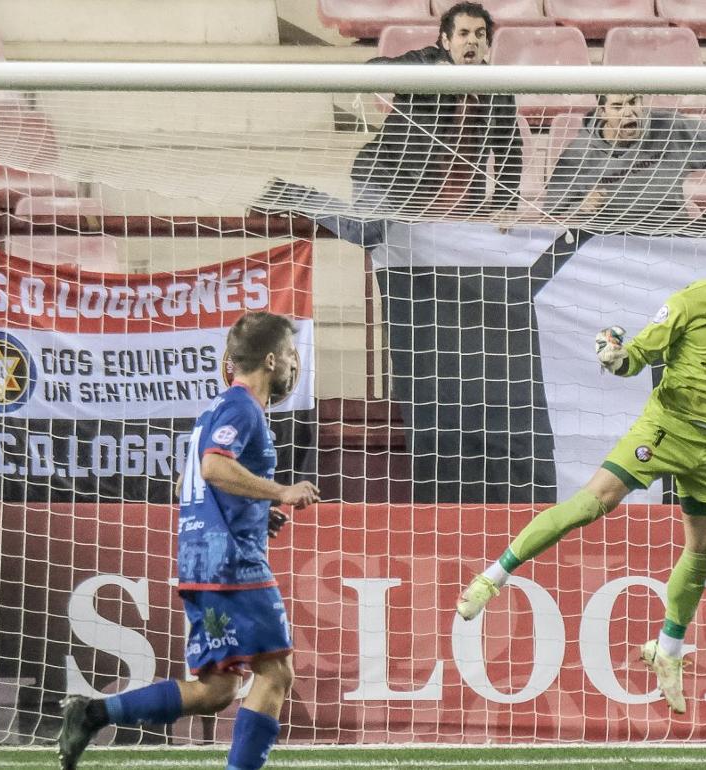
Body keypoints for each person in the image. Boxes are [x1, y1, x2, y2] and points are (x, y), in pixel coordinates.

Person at [453, 212, 706, 714]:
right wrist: (614, 357)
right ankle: (492, 578)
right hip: (665, 431)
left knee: (704, 553)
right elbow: (636, 355)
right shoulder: (689, 302)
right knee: (593, 503)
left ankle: (667, 650)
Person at [57, 312, 321, 770]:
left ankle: (94, 712)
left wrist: (255, 514)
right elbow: (213, 468)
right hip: (231, 565)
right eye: (292, 358)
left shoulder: (213, 413)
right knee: (275, 672)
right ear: (273, 359)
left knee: (217, 690)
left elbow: (192, 485)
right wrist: (280, 491)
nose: (294, 368)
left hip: (203, 561)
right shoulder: (243, 408)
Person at [253, 2, 522, 246]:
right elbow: (374, 70)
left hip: (456, 199)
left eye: (479, 34)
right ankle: (288, 193)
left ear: (487, 43)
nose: (472, 41)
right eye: (463, 34)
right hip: (390, 178)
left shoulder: (499, 91)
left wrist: (505, 202)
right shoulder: (426, 62)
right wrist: (427, 77)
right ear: (446, 41)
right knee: (365, 231)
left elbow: (510, 151)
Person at [543, 93, 706, 229]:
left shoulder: (667, 127)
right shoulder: (580, 152)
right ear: (602, 111)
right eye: (618, 106)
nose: (629, 113)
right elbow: (550, 209)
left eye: (633, 102)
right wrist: (580, 207)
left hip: (671, 235)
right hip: (610, 244)